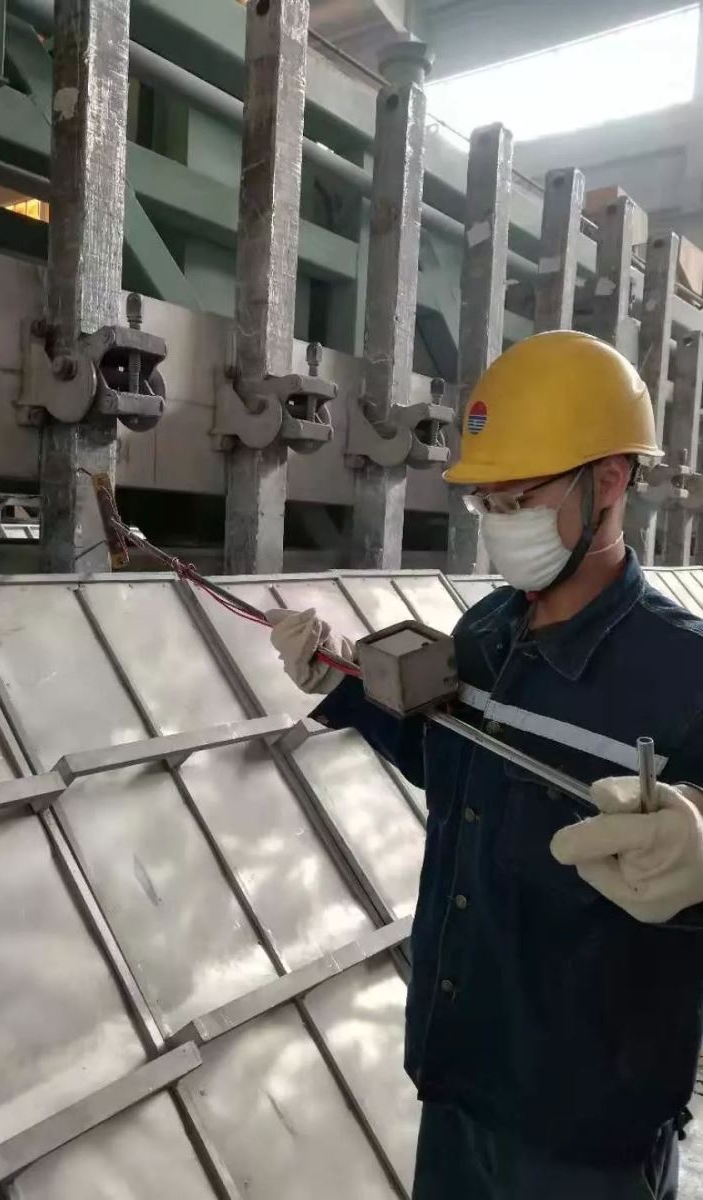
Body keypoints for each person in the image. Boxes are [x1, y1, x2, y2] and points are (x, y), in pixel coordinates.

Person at [268, 330, 703, 1199]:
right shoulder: (486, 630)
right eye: (487, 502)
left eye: (521, 496)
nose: (502, 520)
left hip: (583, 1135)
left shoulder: (683, 671)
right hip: (459, 1073)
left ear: (609, 479)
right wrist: (346, 684)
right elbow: (458, 768)